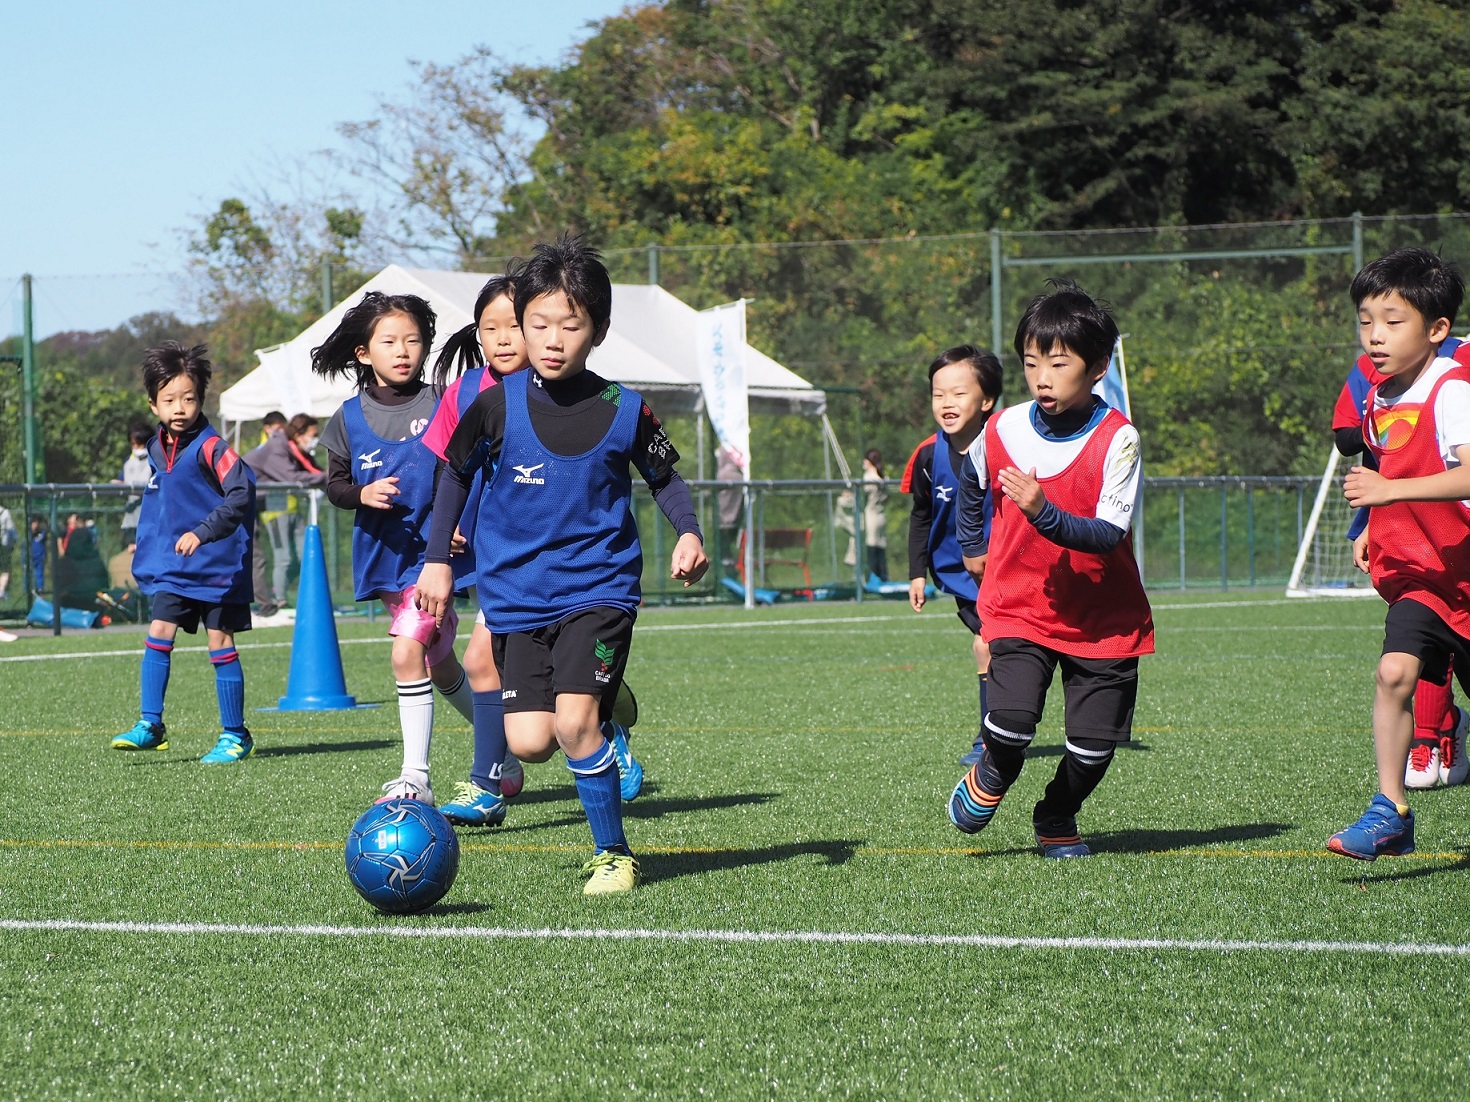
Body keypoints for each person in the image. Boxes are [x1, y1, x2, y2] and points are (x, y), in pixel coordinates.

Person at [417, 233, 709, 896]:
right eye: (538, 323)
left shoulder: (625, 409)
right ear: (520, 326)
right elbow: (453, 478)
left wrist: (688, 532)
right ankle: (606, 706)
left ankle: (614, 854)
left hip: (598, 589)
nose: (552, 339)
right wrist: (437, 561)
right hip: (519, 597)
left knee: (572, 724)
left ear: (597, 330)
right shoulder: (493, 405)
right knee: (529, 744)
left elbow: (665, 479)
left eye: (569, 325)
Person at [948, 279, 1153, 859]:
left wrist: (1042, 512)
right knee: (1010, 723)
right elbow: (972, 479)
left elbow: (1107, 535)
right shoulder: (1005, 426)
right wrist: (971, 543)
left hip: (1102, 616)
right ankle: (992, 771)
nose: (1041, 377)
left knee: (1094, 748)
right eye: (1031, 362)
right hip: (1020, 600)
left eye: (1058, 363)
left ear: (1097, 369)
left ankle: (1057, 814)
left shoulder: (1121, 440)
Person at [1328, 249, 1470, 859]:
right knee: (1393, 674)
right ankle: (1391, 809)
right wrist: (1369, 521)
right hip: (1423, 577)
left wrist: (1390, 491)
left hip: (1466, 572)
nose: (1375, 336)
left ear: (1436, 330)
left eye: (1392, 321)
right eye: (1366, 320)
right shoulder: (1380, 393)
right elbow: (1382, 464)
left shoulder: (1452, 390)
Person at [315, 291, 476, 804]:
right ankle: (500, 748)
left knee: (408, 652)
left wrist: (457, 524)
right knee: (441, 664)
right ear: (364, 353)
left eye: (413, 340)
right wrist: (360, 493)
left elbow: (470, 471)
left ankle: (415, 778)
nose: (403, 350)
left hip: (437, 562)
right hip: (386, 559)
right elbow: (334, 485)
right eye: (389, 341)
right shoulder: (346, 417)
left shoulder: (443, 403)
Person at [112, 342, 257, 763]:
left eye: (189, 398)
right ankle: (151, 725)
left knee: (220, 640)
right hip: (177, 566)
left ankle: (235, 734)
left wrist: (203, 531)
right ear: (153, 404)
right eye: (170, 399)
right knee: (159, 632)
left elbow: (241, 494)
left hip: (219, 566)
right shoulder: (156, 448)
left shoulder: (215, 447)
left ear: (201, 400)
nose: (180, 407)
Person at [901, 344, 1003, 766]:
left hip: (1008, 569)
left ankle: (994, 735)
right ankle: (995, 735)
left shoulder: (1008, 445)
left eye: (959, 393)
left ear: (987, 400)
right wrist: (917, 573)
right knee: (989, 645)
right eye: (938, 394)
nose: (947, 403)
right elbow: (921, 516)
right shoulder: (928, 455)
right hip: (960, 575)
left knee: (990, 645)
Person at [244, 413, 327, 616]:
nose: (315, 439)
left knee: (293, 557)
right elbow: (290, 477)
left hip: (260, 502)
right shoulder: (278, 447)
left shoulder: (294, 449)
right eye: (313, 434)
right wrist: (328, 476)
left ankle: (269, 602)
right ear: (298, 435)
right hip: (240, 501)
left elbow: (317, 471)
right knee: (255, 557)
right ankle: (267, 606)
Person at [114, 427, 152, 548]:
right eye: (133, 444)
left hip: (150, 513)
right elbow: (121, 480)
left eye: (139, 443)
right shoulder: (128, 461)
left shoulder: (155, 460)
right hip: (131, 512)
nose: (136, 447)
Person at [861, 449, 889, 581]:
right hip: (881, 514)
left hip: (872, 513)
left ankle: (874, 577)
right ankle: (883, 575)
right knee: (880, 544)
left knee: (872, 545)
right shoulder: (882, 477)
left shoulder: (869, 477)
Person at [0, 504, 16, 602]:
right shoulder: (5, 513)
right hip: (4, 545)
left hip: (4, 546)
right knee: (5, 570)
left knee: (5, 570)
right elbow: (11, 530)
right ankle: (1, 591)